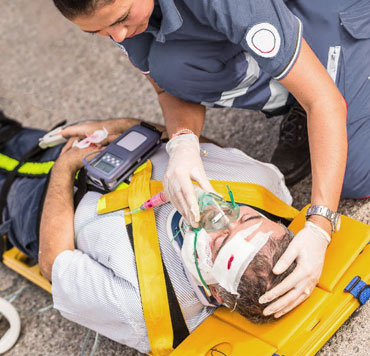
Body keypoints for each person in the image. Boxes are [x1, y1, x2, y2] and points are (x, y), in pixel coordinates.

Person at [50, 0, 357, 319]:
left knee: (351, 176)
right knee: (172, 67)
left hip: (329, 17)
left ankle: (302, 69)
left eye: (123, 19)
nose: (117, 35)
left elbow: (325, 100)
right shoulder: (125, 25)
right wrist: (182, 140)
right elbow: (168, 91)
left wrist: (321, 224)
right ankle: (294, 86)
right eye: (97, 31)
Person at [0, 115, 329, 353]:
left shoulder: (147, 308)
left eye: (220, 241)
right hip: (111, 148)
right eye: (244, 218)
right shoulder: (262, 188)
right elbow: (188, 143)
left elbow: (54, 263)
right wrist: (122, 127)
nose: (217, 214)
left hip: (40, 206)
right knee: (11, 137)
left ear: (216, 294)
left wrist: (64, 170)